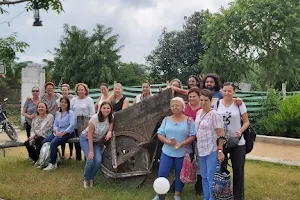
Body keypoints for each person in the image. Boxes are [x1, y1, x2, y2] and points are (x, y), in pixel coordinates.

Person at [153, 97, 196, 200]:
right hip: (167, 152)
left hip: (182, 153)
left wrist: (181, 143)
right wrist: (167, 141)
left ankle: (177, 194)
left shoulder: (189, 121)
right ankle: (160, 194)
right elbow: (160, 133)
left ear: (182, 107)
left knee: (179, 174)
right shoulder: (166, 119)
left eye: (177, 105)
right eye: (172, 106)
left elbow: (193, 136)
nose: (174, 107)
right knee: (162, 173)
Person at [215, 82, 250, 200]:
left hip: (238, 141)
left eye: (229, 91)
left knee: (238, 171)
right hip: (222, 141)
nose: (226, 93)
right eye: (224, 91)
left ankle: (238, 197)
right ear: (221, 91)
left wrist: (240, 131)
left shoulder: (239, 104)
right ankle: (223, 194)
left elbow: (246, 122)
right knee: (222, 169)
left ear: (233, 92)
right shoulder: (218, 104)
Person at [195, 89, 225, 200]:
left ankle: (212, 198)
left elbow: (221, 135)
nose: (203, 102)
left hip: (211, 150)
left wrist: (220, 151)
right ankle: (206, 197)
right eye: (201, 100)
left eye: (205, 100)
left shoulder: (215, 115)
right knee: (203, 177)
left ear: (211, 101)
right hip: (201, 149)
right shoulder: (198, 113)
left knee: (211, 177)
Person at [80, 101, 113, 188]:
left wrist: (109, 132)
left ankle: (91, 178)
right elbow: (90, 135)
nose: (106, 110)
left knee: (98, 161)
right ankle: (86, 179)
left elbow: (110, 127)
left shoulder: (110, 117)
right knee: (91, 159)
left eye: (108, 108)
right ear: (100, 109)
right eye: (104, 108)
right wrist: (91, 151)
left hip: (97, 141)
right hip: (86, 139)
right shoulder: (95, 118)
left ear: (111, 109)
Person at [43, 96, 76, 171]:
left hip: (68, 132)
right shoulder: (57, 113)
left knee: (54, 143)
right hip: (58, 132)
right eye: (62, 102)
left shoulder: (70, 113)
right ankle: (54, 158)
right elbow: (55, 124)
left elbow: (72, 125)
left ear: (68, 104)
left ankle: (53, 164)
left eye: (65, 102)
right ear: (59, 103)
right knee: (45, 142)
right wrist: (56, 131)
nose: (63, 104)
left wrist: (63, 133)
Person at [71, 83, 95, 160]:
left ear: (85, 91)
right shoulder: (73, 100)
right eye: (79, 90)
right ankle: (78, 157)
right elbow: (71, 111)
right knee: (76, 141)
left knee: (86, 141)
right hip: (75, 123)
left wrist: (89, 124)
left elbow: (92, 113)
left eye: (82, 90)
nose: (80, 91)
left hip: (85, 123)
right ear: (76, 91)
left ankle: (87, 157)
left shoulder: (89, 100)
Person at [57, 83, 74, 159]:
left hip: (70, 120)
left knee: (70, 138)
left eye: (65, 90)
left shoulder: (72, 99)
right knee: (62, 138)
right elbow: (58, 110)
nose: (64, 91)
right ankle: (63, 154)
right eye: (63, 90)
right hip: (62, 121)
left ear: (68, 91)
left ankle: (71, 154)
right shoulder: (58, 100)